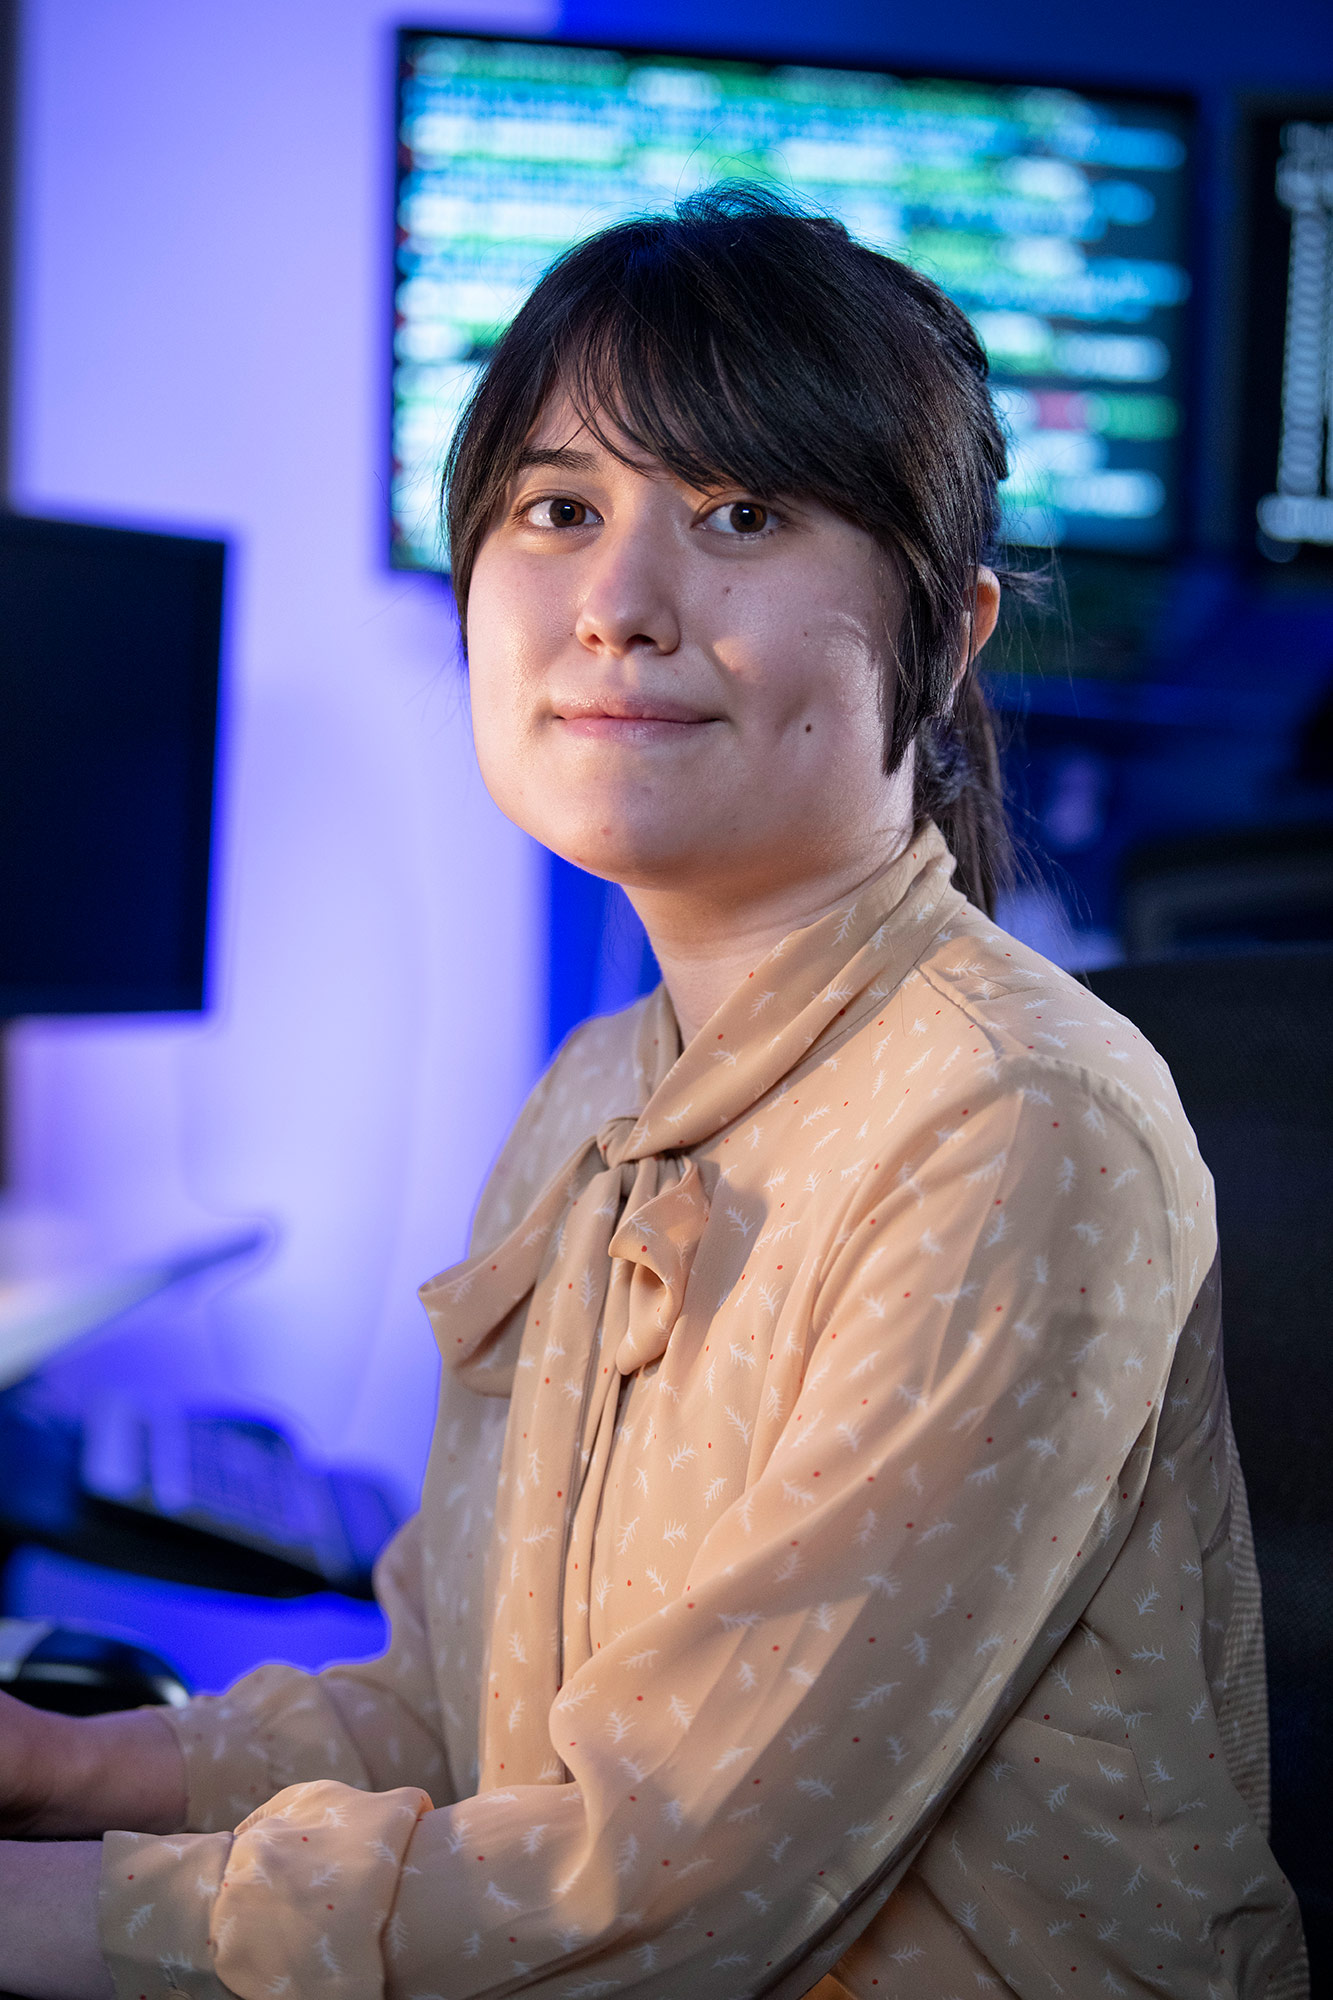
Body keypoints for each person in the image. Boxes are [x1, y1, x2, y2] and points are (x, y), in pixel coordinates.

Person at [0, 185, 1306, 2000]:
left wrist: (55, 1918)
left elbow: (665, 1890)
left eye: (742, 514)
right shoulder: (595, 1097)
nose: (618, 603)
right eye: (556, 510)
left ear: (945, 638)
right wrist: (59, 1765)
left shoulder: (1012, 1117)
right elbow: (461, 1711)